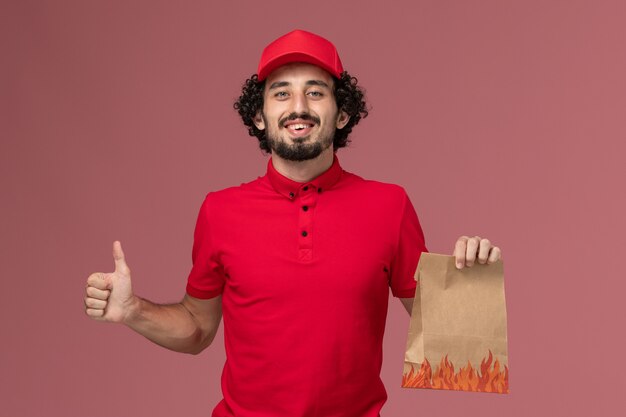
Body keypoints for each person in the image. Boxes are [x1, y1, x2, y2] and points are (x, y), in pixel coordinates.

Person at [84, 30, 502, 417]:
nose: (298, 107)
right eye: (281, 93)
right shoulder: (219, 210)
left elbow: (453, 346)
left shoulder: (389, 205)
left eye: (315, 92)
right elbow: (197, 329)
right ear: (259, 117)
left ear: (342, 114)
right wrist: (133, 310)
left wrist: (471, 284)